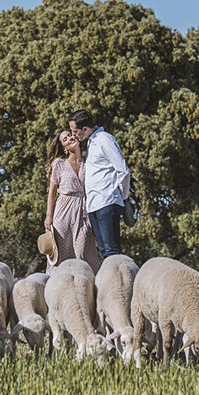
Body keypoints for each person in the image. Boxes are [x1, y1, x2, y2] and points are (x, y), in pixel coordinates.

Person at [68, 109, 130, 259]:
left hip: (107, 202)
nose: (73, 135)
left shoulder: (104, 140)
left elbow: (123, 171)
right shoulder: (91, 142)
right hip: (94, 205)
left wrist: (122, 197)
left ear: (85, 129)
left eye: (75, 131)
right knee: (104, 252)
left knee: (112, 252)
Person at [43, 129, 102, 273]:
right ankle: (53, 289)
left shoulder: (89, 161)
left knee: (83, 253)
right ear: (64, 148)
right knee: (60, 256)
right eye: (65, 139)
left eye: (70, 135)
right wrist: (49, 216)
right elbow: (52, 191)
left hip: (83, 211)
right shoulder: (59, 164)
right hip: (63, 212)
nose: (70, 138)